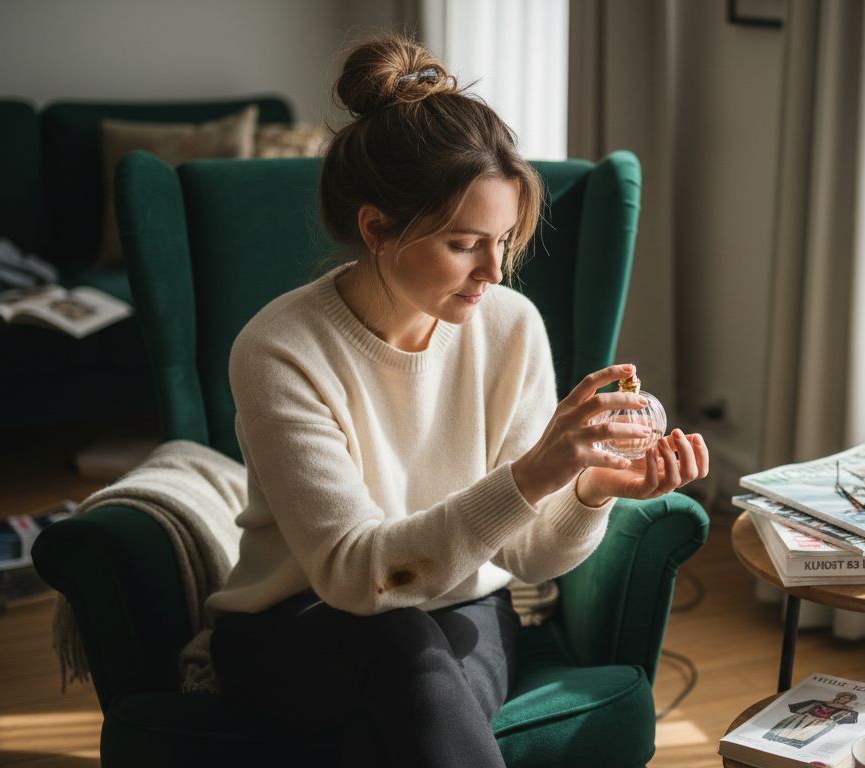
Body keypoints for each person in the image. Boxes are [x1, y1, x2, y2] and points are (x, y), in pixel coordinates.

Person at [205, 35, 709, 767]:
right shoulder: (280, 348)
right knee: (404, 653)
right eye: (465, 243)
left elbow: (530, 559)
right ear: (377, 229)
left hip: (466, 611)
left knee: (404, 716)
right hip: (296, 624)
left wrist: (591, 492)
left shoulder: (509, 327)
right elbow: (355, 574)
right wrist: (534, 475)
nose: (493, 272)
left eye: (504, 240)